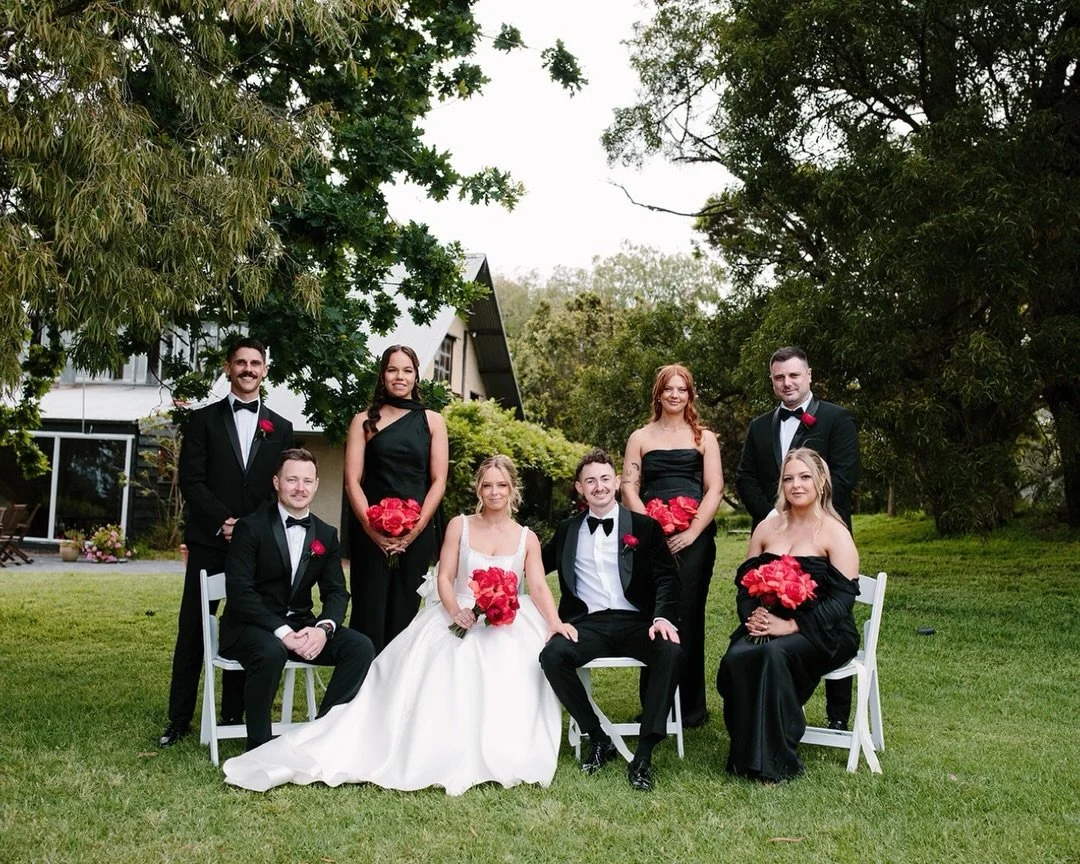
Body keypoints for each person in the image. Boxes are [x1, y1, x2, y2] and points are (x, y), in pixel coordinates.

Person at [223, 455, 576, 794]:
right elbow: (445, 577)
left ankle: (504, 747)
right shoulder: (460, 525)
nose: (494, 492)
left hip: (508, 619)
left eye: (501, 485)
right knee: (446, 659)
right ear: (478, 489)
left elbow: (539, 585)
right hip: (459, 612)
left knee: (518, 660)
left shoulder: (526, 537)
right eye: (487, 485)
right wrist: (455, 611)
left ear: (513, 488)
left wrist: (555, 622)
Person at [159, 337, 295, 748]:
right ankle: (178, 720)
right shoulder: (202, 421)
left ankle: (234, 713)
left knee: (247, 623)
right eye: (241, 362)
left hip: (255, 546)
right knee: (193, 631)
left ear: (265, 370)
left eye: (256, 363)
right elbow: (193, 480)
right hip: (209, 541)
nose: (248, 369)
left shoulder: (281, 427)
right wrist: (223, 521)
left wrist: (248, 526)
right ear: (227, 368)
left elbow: (279, 488)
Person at [540, 449, 682, 793]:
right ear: (579, 488)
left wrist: (661, 616)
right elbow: (533, 565)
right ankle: (597, 736)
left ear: (617, 482)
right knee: (551, 656)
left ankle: (644, 754)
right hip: (587, 624)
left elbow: (667, 577)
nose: (599, 486)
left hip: (638, 621)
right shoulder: (567, 530)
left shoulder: (644, 527)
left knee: (670, 650)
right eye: (590, 481)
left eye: (605, 479)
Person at [734, 345, 860, 730]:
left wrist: (810, 511)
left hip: (824, 534)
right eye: (778, 377)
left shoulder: (837, 419)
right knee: (773, 619)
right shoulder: (759, 427)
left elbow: (844, 475)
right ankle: (777, 712)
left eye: (793, 375)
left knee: (831, 618)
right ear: (772, 383)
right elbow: (746, 478)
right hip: (780, 536)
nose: (786, 383)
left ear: (809, 376)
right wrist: (777, 514)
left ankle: (838, 717)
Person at [717, 447, 859, 782]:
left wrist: (793, 625)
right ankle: (744, 754)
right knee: (738, 656)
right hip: (769, 620)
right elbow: (745, 586)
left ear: (821, 482)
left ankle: (776, 762)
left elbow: (842, 601)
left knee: (772, 655)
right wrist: (752, 617)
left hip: (825, 628)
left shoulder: (835, 532)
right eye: (789, 478)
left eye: (805, 476)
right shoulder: (767, 529)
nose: (797, 484)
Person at [219, 449, 375, 750]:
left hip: (303, 625)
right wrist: (283, 633)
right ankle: (260, 745)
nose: (300, 488)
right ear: (277, 482)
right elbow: (240, 592)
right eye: (292, 480)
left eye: (307, 481)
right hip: (250, 627)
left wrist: (323, 628)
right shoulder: (251, 527)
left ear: (316, 485)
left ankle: (323, 734)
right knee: (271, 651)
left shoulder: (326, 534)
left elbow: (336, 592)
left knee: (360, 647)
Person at [622, 364, 723, 728]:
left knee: (689, 616)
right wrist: (650, 526)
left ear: (690, 395)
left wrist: (693, 531)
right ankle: (656, 705)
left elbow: (715, 488)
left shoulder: (704, 438)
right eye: (669, 389)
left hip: (694, 538)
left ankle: (692, 709)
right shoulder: (640, 437)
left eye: (682, 389)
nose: (675, 395)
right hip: (652, 538)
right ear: (658, 394)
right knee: (656, 614)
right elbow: (629, 487)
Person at [344, 344, 448, 653]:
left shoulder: (433, 421)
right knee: (369, 612)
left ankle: (397, 692)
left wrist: (413, 532)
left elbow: (439, 481)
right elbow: (352, 481)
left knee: (404, 615)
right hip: (369, 532)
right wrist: (373, 530)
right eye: (392, 369)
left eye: (407, 370)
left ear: (417, 376)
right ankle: (362, 689)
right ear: (382, 375)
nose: (399, 376)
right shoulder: (363, 421)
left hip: (416, 533)